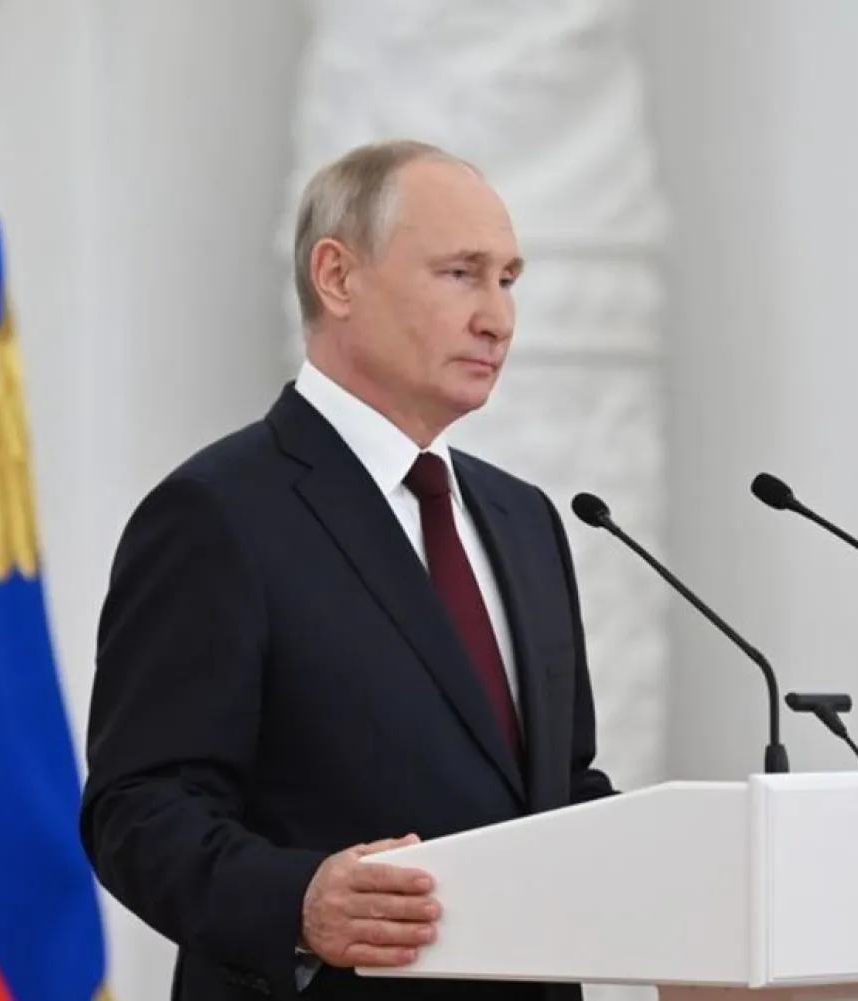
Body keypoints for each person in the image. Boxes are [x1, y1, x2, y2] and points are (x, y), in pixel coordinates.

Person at [79, 139, 617, 1001]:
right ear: (337, 277)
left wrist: (686, 859)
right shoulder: (218, 514)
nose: (498, 318)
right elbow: (139, 810)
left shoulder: (525, 520)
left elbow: (556, 785)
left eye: (509, 279)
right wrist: (298, 902)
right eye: (461, 274)